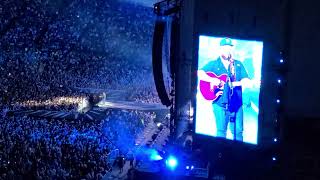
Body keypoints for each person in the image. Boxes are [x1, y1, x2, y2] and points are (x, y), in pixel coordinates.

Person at [198, 38, 253, 141]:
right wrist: (213, 80)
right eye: (225, 47)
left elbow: (246, 80)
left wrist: (239, 83)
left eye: (230, 47)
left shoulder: (238, 64)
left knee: (238, 133)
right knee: (221, 133)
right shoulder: (214, 64)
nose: (227, 50)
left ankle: (237, 155)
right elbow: (199, 73)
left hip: (236, 105)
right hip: (219, 105)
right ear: (220, 48)